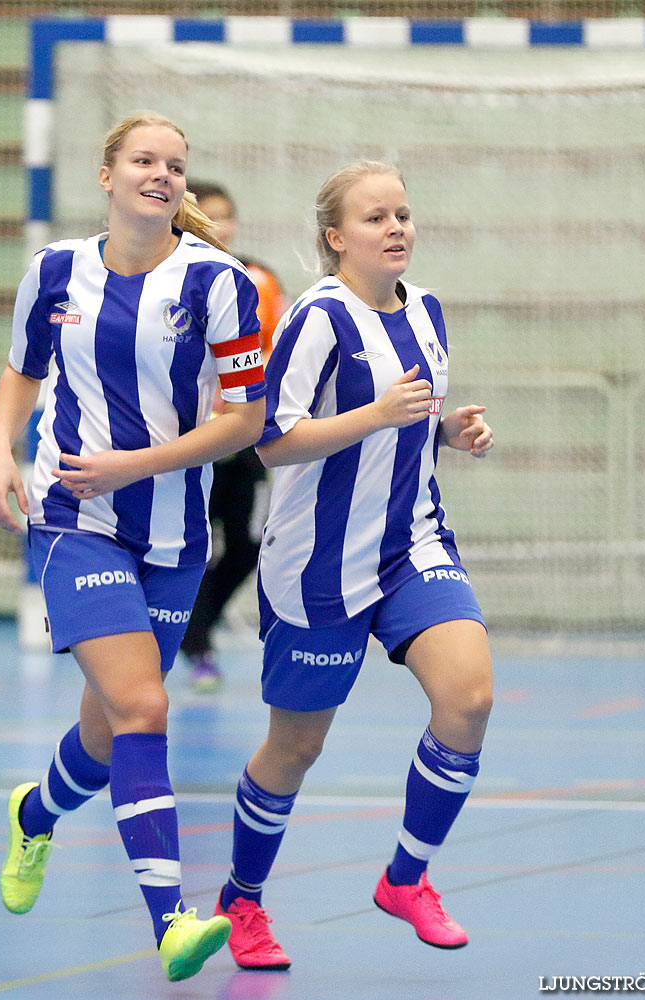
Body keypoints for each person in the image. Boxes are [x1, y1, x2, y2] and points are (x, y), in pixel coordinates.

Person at [0, 112, 267, 983]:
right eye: (144, 160)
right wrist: (0, 449)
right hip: (76, 517)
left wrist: (138, 463)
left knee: (107, 731)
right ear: (107, 175)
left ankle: (36, 810)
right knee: (144, 708)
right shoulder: (55, 271)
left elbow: (244, 420)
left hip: (176, 530)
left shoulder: (221, 283)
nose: (162, 174)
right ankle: (172, 918)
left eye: (176, 164)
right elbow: (23, 370)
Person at [212, 161, 495, 970]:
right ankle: (242, 898)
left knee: (468, 699)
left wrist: (448, 431)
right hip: (317, 567)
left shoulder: (428, 310)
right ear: (337, 238)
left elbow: (412, 418)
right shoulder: (316, 318)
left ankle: (406, 879)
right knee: (296, 750)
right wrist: (374, 414)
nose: (397, 228)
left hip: (412, 546)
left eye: (403, 213)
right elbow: (271, 439)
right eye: (376, 218)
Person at [178, 181, 287, 692]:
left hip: (246, 438)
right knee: (187, 547)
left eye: (226, 216)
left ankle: (194, 629)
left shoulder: (260, 280)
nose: (218, 226)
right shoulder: (167, 281)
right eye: (208, 216)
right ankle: (194, 642)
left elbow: (279, 354)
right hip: (188, 442)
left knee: (247, 545)